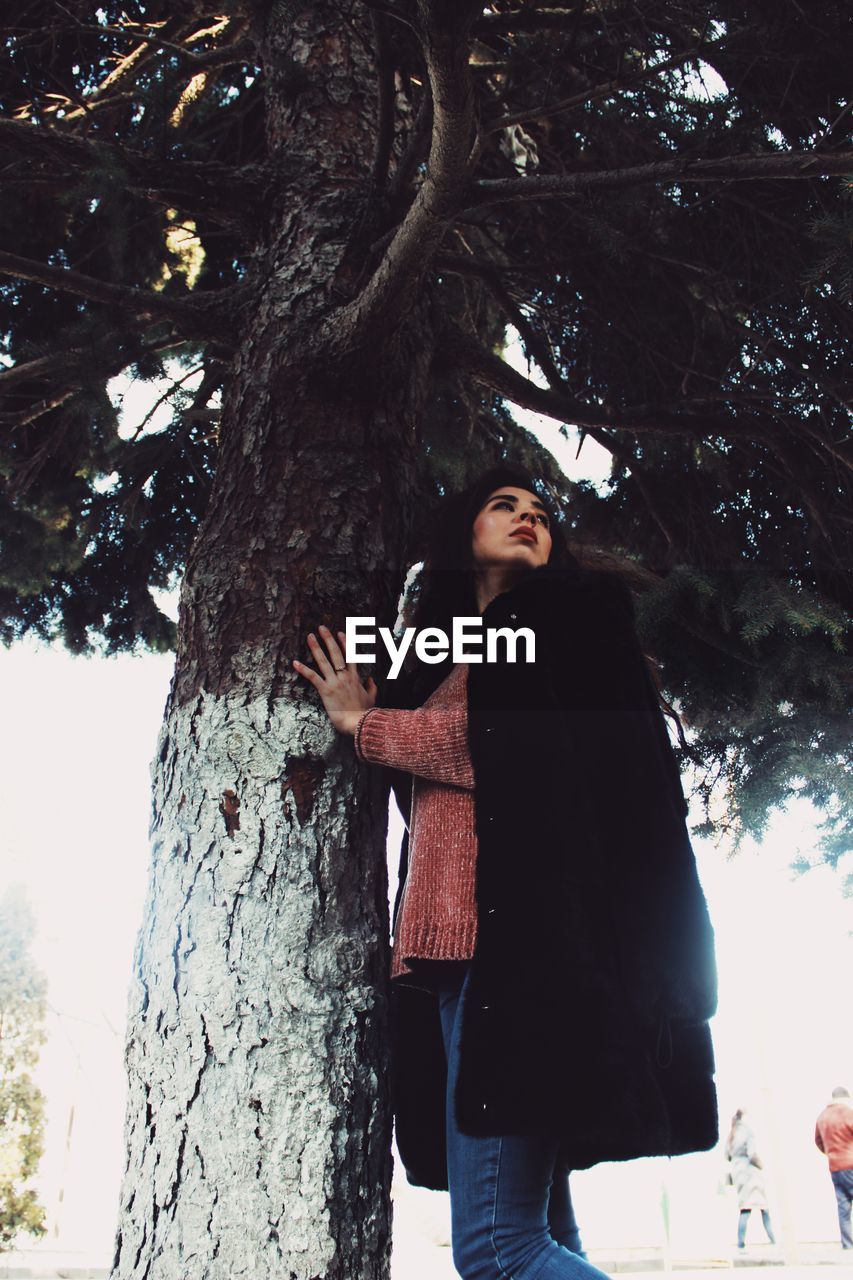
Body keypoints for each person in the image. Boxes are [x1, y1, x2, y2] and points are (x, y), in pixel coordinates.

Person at [293, 464, 718, 1280]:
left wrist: (363, 724)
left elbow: (523, 754)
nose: (527, 517)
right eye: (503, 506)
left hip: (522, 959)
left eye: (539, 512)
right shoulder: (448, 659)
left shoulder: (575, 622)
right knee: (542, 1238)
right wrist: (388, 713)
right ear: (465, 536)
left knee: (498, 1251)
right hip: (459, 957)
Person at [724, 1109, 776, 1250]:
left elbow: (726, 1156)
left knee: (745, 1208)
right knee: (763, 1208)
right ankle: (774, 1241)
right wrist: (762, 1166)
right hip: (751, 1175)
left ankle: (741, 1243)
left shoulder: (731, 1134)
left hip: (738, 1173)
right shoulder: (748, 1132)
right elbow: (752, 1154)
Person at [814, 1086, 853, 1250]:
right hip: (851, 1164)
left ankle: (847, 1244)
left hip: (835, 1167)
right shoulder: (847, 1113)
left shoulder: (822, 1117)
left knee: (843, 1206)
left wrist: (830, 1153)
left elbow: (818, 1141)